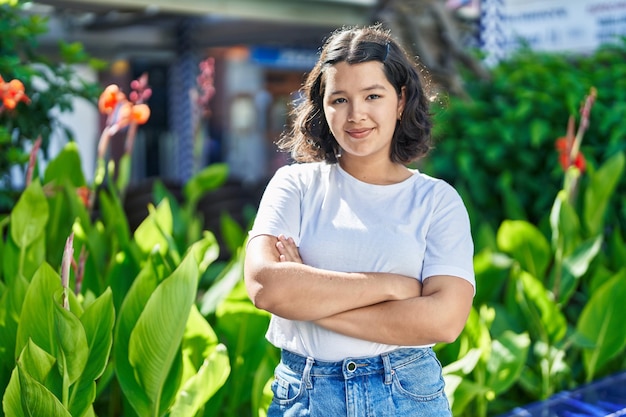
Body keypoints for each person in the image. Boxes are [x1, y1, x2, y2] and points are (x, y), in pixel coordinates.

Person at [244, 24, 475, 417]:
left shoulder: (437, 201)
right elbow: (267, 287)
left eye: (372, 95)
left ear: (400, 101)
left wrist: (309, 300)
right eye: (339, 99)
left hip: (407, 393)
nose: (356, 115)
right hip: (307, 395)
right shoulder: (294, 185)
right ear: (322, 105)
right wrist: (394, 287)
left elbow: (444, 320)